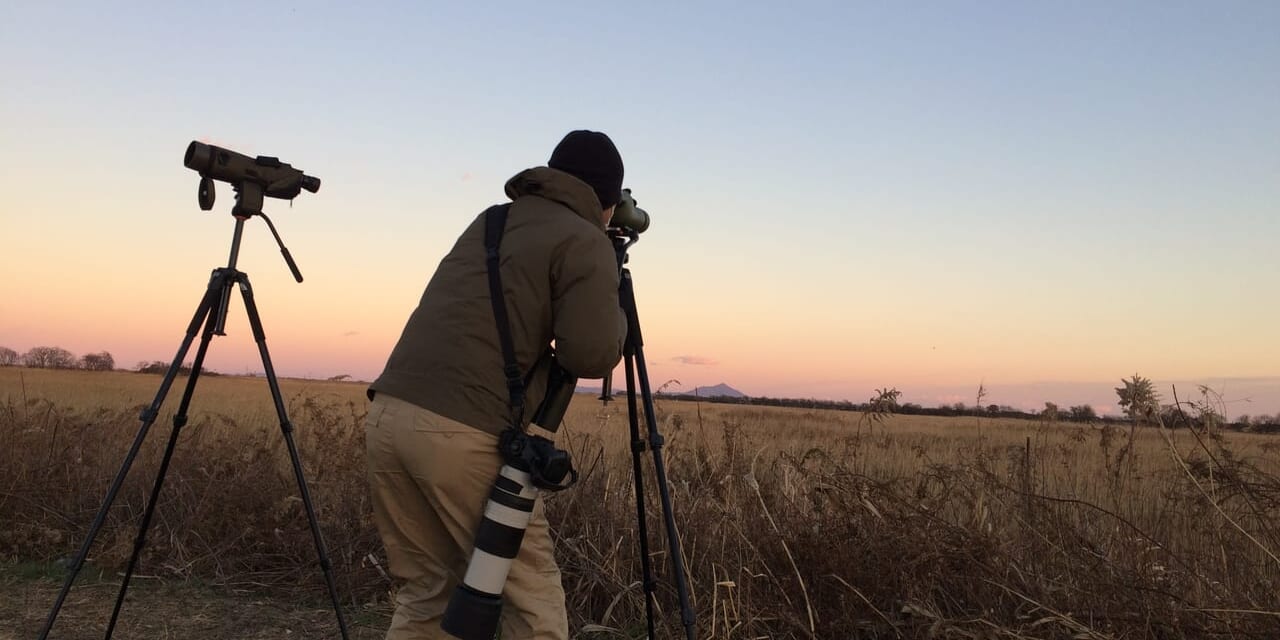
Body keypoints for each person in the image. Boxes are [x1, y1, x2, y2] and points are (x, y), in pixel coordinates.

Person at [365, 130, 629, 639]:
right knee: (530, 599)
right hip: (462, 435)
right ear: (608, 203)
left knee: (427, 592)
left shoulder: (492, 219)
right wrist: (614, 287)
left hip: (387, 416)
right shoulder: (584, 238)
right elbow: (591, 354)